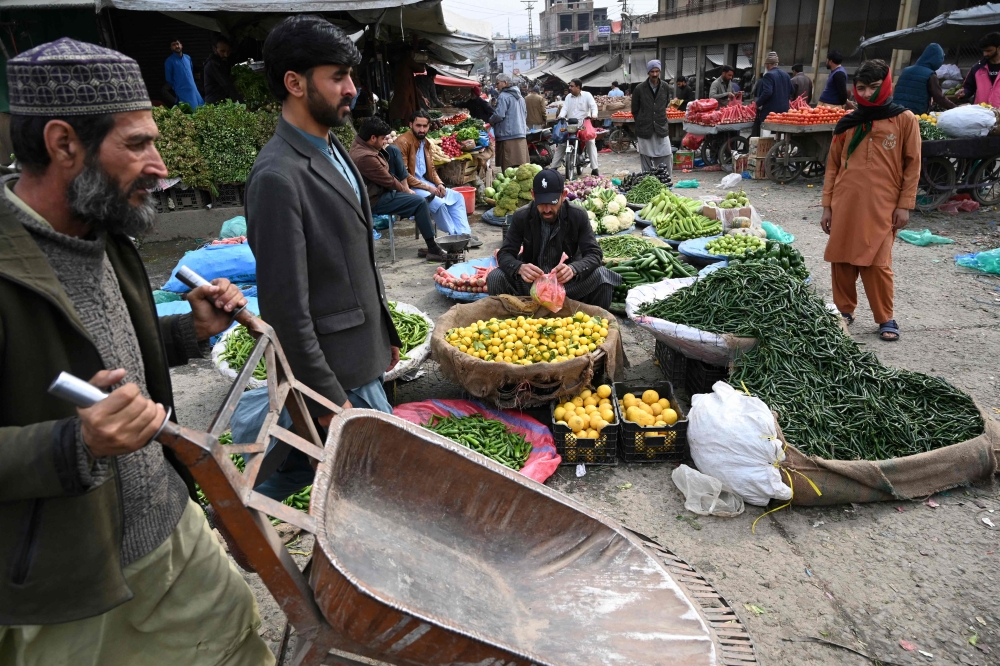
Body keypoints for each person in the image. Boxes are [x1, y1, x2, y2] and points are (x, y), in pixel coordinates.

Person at [0, 38, 270, 663]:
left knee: (238, 642)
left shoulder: (107, 226)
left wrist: (189, 332)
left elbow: (110, 354)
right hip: (72, 585)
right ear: (64, 143)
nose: (159, 164)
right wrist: (74, 446)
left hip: (169, 523)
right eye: (138, 144)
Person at [243, 17, 402, 545]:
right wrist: (333, 404)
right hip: (334, 378)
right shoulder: (277, 176)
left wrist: (387, 336)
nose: (352, 89)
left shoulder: (335, 150)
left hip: (362, 359)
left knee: (358, 492)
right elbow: (286, 313)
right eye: (337, 76)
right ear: (295, 82)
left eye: (351, 76)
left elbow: (355, 264)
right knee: (382, 497)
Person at [821, 59, 919, 343]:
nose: (867, 94)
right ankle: (844, 311)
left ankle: (885, 316)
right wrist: (827, 205)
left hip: (883, 204)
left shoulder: (904, 120)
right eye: (861, 88)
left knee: (877, 262)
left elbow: (913, 166)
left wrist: (904, 205)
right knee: (841, 258)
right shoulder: (847, 123)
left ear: (886, 85)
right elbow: (833, 166)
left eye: (874, 87)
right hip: (844, 202)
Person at [487, 169, 621, 309]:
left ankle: (594, 324)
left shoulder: (577, 215)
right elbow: (505, 253)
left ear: (563, 195)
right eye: (542, 203)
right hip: (532, 286)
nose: (546, 209)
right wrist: (520, 268)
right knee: (496, 277)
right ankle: (511, 324)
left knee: (602, 275)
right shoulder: (522, 216)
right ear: (533, 195)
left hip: (567, 285)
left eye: (552, 203)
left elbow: (595, 253)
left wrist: (574, 269)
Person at [350, 117, 447, 261]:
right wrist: (406, 192)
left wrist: (405, 188)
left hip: (379, 184)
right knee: (419, 202)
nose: (384, 142)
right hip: (376, 199)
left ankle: (409, 192)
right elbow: (389, 181)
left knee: (393, 150)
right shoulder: (365, 157)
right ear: (372, 138)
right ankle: (432, 248)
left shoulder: (361, 143)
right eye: (382, 139)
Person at [395, 110, 479, 242]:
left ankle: (465, 234)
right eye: (418, 126)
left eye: (425, 126)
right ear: (411, 125)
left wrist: (440, 184)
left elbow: (432, 169)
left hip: (427, 184)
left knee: (457, 197)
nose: (422, 129)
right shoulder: (402, 142)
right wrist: (429, 188)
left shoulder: (426, 143)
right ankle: (455, 237)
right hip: (410, 188)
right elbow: (404, 175)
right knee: (438, 203)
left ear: (429, 126)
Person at [631, 59, 673, 174]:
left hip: (660, 126)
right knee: (646, 157)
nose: (654, 74)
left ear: (659, 71)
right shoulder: (639, 89)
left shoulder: (665, 86)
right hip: (645, 128)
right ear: (648, 72)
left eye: (657, 71)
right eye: (652, 72)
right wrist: (642, 120)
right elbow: (634, 109)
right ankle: (648, 181)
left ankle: (665, 181)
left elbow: (665, 103)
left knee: (666, 154)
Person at [552, 78, 600, 176]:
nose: (570, 88)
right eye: (569, 86)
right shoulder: (569, 97)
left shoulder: (587, 95)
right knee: (562, 143)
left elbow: (593, 106)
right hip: (570, 124)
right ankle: (554, 167)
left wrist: (594, 114)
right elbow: (565, 108)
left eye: (572, 86)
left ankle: (595, 168)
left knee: (590, 142)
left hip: (584, 125)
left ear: (578, 87)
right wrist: (561, 116)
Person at [894, 43, 955, 115]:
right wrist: (956, 108)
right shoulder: (930, 75)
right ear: (936, 60)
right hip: (915, 114)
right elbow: (939, 98)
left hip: (896, 111)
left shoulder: (906, 70)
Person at [490, 73, 529, 170]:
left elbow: (499, 114)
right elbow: (525, 114)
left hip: (508, 136)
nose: (496, 86)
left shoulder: (503, 96)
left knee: (509, 168)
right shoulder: (520, 97)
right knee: (521, 167)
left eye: (497, 83)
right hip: (520, 134)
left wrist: (491, 120)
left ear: (505, 83)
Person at [754, 52, 792, 136]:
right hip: (784, 110)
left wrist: (757, 103)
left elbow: (767, 92)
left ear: (767, 65)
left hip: (771, 111)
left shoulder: (769, 75)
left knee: (766, 134)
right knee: (780, 134)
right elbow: (792, 91)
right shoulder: (786, 75)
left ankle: (767, 148)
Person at [957, 32, 1000, 104]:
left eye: (989, 51)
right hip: (981, 112)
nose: (985, 54)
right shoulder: (977, 68)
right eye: (984, 51)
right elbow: (969, 88)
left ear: (999, 48)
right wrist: (964, 93)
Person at [203, 35, 244, 105]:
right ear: (214, 49)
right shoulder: (212, 64)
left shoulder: (222, 61)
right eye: (222, 51)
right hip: (215, 103)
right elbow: (227, 85)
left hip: (223, 101)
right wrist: (243, 104)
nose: (226, 55)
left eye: (228, 51)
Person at [164, 38, 203, 108]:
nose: (176, 46)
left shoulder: (188, 58)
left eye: (177, 44)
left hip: (193, 89)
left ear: (181, 45)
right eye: (173, 45)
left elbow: (190, 71)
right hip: (182, 92)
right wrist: (178, 88)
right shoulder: (169, 61)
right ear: (171, 48)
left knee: (201, 108)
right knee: (191, 110)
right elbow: (169, 78)